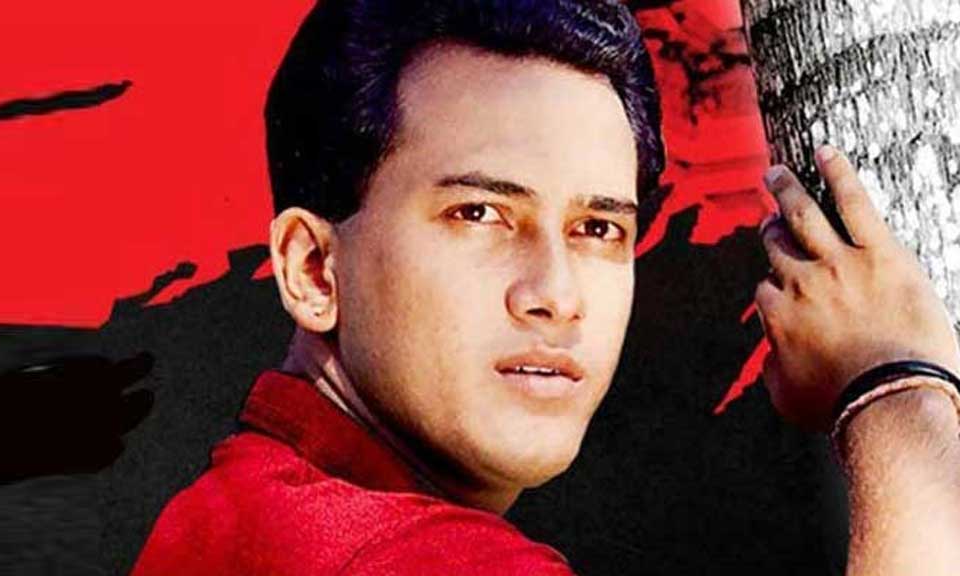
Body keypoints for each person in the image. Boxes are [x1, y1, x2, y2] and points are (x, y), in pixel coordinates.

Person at [132, 0, 960, 573]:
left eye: (598, 228)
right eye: (480, 214)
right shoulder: (404, 559)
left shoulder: (238, 512)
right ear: (313, 269)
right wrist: (897, 388)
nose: (556, 294)